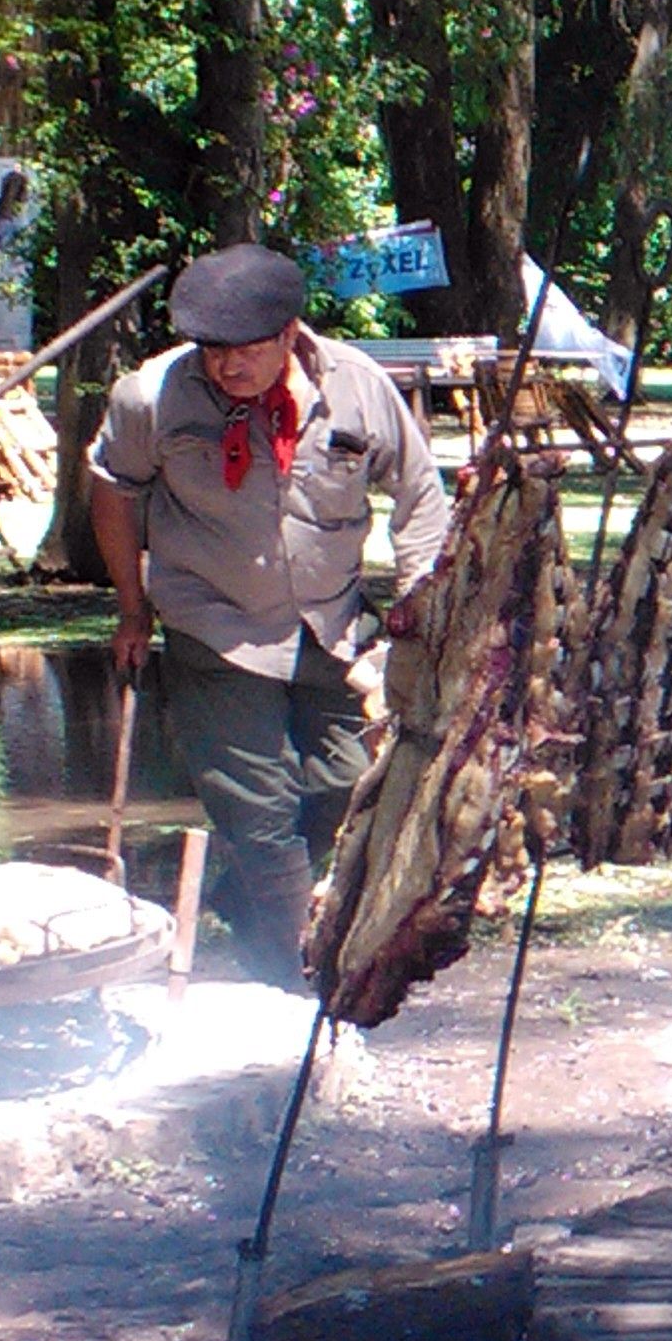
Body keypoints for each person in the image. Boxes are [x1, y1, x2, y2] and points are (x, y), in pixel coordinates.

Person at [95, 243, 450, 983]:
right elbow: (113, 491)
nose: (228, 367)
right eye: (214, 351)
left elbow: (420, 497)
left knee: (356, 788)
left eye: (246, 351)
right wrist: (133, 608)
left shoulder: (356, 386)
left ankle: (247, 901)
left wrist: (418, 608)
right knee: (256, 813)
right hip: (212, 625)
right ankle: (301, 976)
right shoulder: (150, 396)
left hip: (332, 626)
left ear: (291, 333)